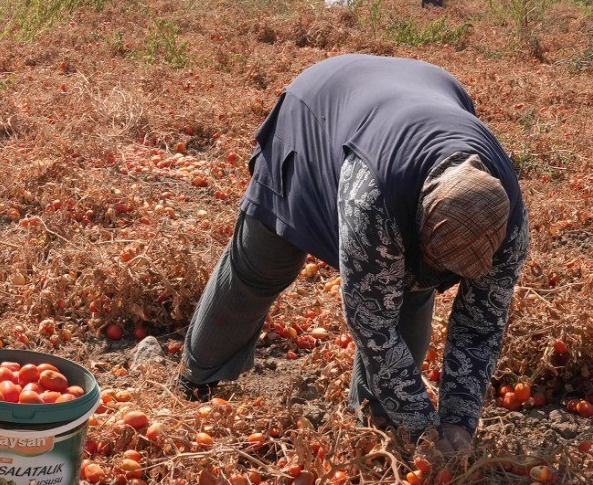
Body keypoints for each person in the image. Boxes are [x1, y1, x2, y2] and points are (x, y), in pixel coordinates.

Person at [175, 54, 528, 458]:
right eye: (433, 258)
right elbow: (373, 324)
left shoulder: (509, 225)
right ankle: (197, 378)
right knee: (263, 264)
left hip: (414, 100)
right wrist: (421, 426)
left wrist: (458, 425)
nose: (438, 276)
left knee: (411, 293)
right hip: (317, 115)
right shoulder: (373, 202)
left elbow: (480, 326)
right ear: (417, 221)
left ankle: (377, 424)